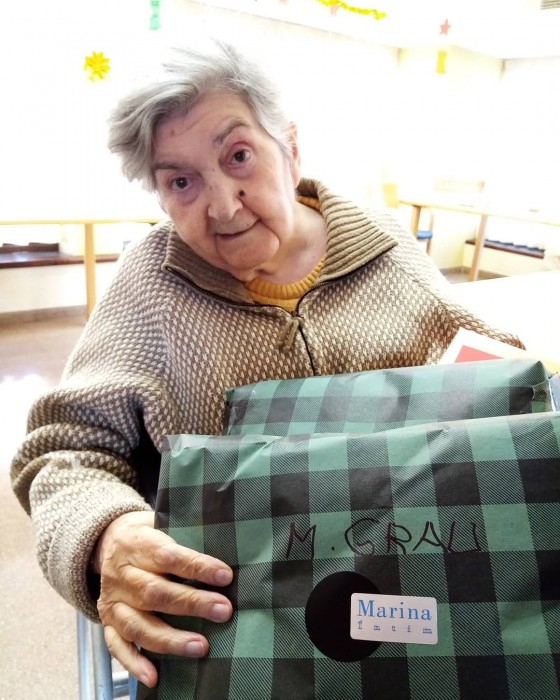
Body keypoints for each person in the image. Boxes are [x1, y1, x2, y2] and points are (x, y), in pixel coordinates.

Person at [11, 40, 522, 690]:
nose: (223, 205)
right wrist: (105, 534)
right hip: (240, 622)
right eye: (181, 182)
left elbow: (499, 380)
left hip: (412, 588)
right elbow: (63, 454)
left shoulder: (383, 244)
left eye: (239, 156)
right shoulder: (150, 285)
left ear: (290, 147)